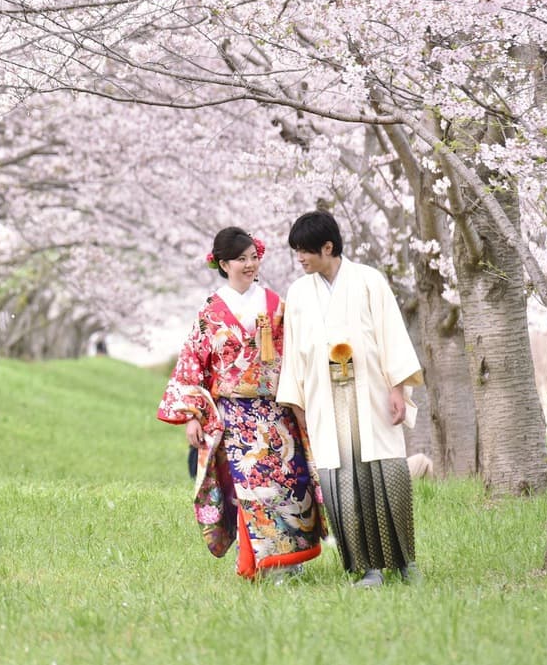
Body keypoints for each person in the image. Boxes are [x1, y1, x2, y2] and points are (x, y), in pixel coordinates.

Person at [157, 227, 324, 581]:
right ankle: (262, 565)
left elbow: (295, 354)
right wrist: (193, 416)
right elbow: (192, 364)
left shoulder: (276, 304)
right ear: (223, 264)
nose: (250, 265)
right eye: (241, 259)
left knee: (288, 484)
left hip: (277, 410)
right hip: (234, 415)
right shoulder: (212, 310)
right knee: (251, 488)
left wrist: (300, 401)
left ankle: (289, 564)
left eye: (253, 257)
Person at [278, 210, 424, 588]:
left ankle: (405, 562)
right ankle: (368, 568)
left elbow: (391, 333)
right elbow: (294, 351)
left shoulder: (368, 281)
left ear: (328, 247)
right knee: (341, 482)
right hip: (324, 398)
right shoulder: (297, 293)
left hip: (371, 390)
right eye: (296, 251)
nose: (300, 258)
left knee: (386, 475)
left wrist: (397, 388)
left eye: (305, 251)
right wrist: (298, 405)